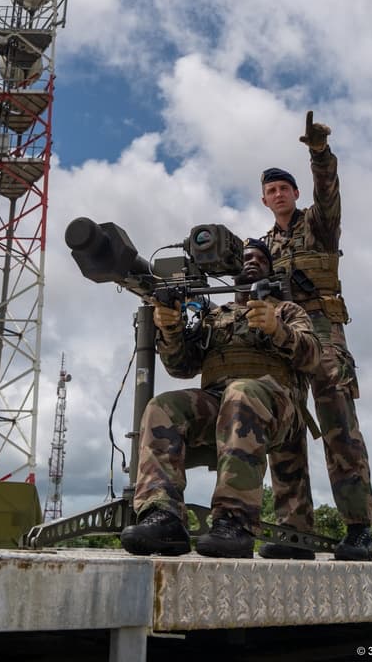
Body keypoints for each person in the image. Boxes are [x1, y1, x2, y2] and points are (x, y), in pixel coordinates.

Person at [119, 239, 321, 559]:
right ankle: (163, 515)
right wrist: (171, 331)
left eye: (259, 258)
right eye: (245, 258)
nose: (251, 262)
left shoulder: (287, 310)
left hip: (277, 408)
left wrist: (277, 329)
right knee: (162, 408)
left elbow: (313, 358)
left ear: (270, 270)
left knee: (241, 393)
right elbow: (181, 367)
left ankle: (233, 521)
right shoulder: (215, 316)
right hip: (220, 402)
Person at [259, 110, 372, 562]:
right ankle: (295, 532)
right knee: (284, 428)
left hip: (324, 334)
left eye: (283, 188)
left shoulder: (317, 224)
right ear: (265, 201)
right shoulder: (264, 247)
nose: (278, 194)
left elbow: (329, 193)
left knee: (338, 428)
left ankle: (358, 529)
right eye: (270, 191)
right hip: (285, 337)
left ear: (295, 193)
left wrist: (319, 154)